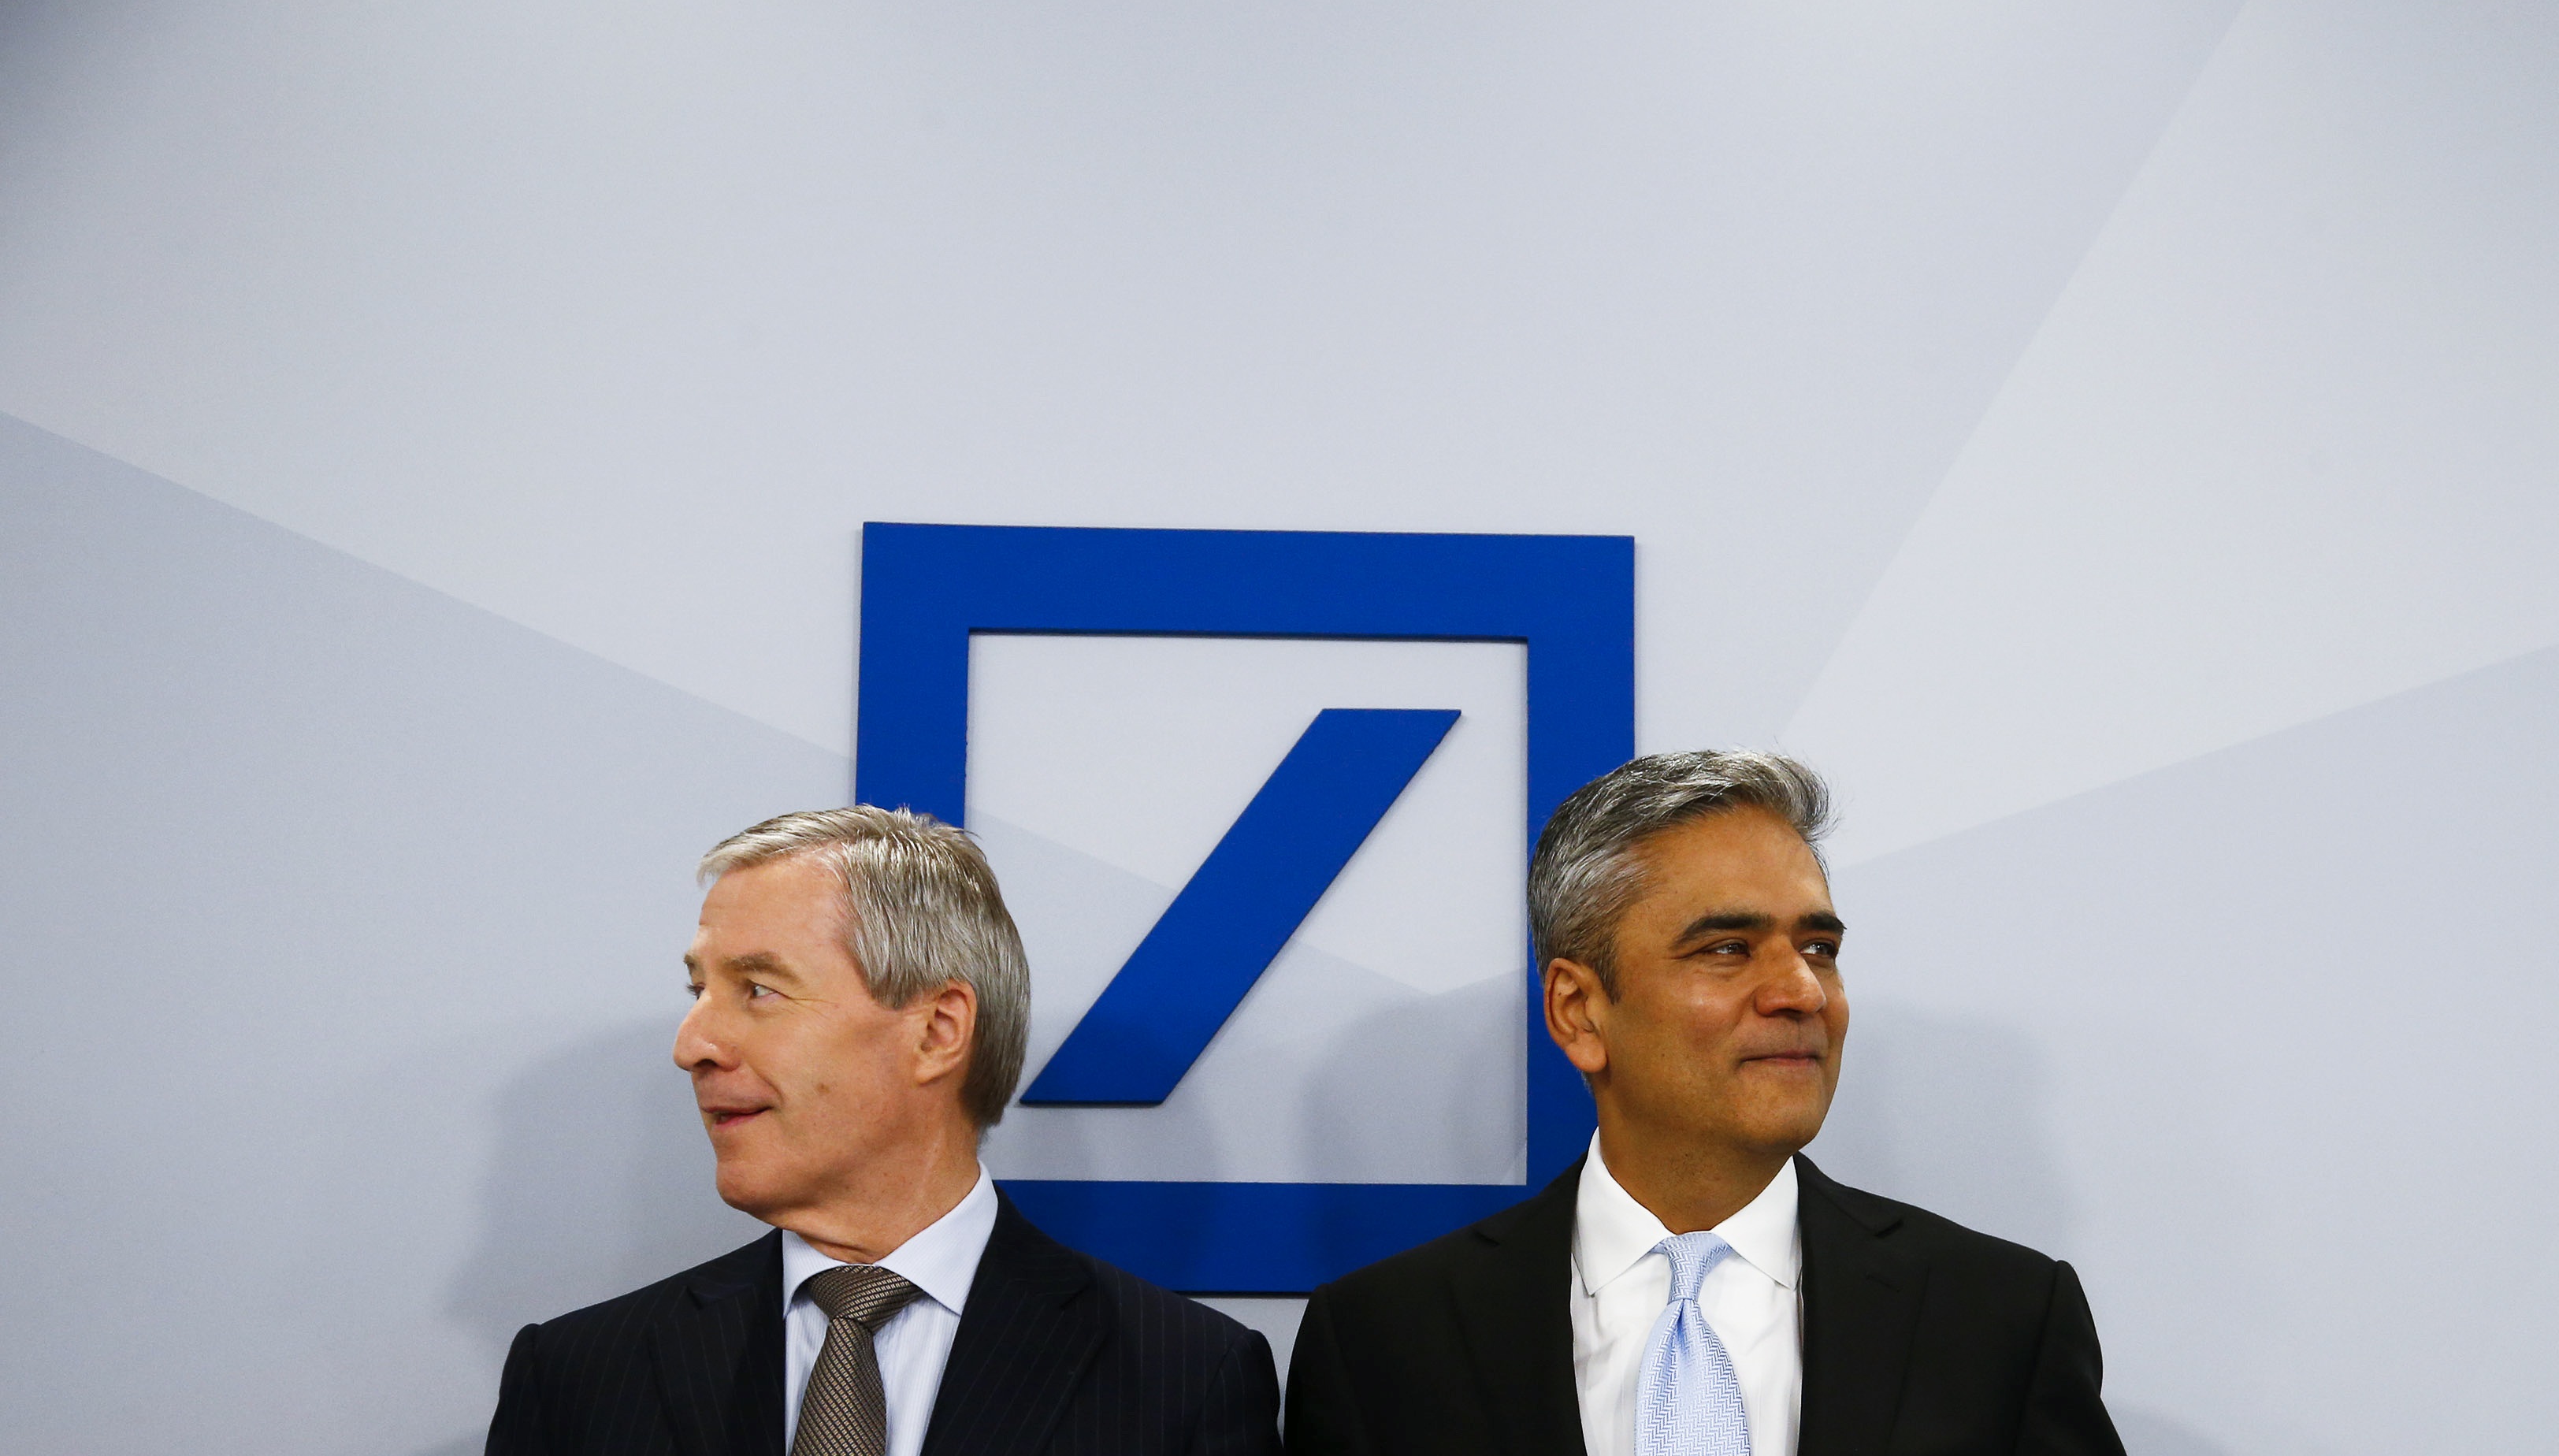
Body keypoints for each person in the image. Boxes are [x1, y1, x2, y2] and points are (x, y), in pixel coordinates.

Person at [1283, 752, 2125, 1456]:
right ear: (1579, 1013)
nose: (1801, 991)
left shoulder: (2001, 1318)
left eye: (1818, 948)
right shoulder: (1381, 1340)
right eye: (1727, 948)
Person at [487, 807, 1280, 1456]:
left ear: (937, 1030)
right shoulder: (577, 1376)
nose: (692, 1045)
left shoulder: (1184, 1379)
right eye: (698, 992)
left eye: (758, 990)